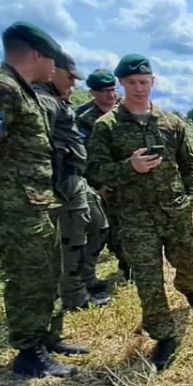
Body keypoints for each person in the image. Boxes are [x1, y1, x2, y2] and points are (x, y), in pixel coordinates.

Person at [0, 21, 85, 378]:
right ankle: (29, 354)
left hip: (34, 202)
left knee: (47, 271)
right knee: (28, 278)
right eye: (53, 60)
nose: (55, 69)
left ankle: (47, 338)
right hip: (12, 205)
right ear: (37, 55)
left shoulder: (23, 91)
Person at [86, 53, 193, 372]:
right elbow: (94, 171)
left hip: (175, 210)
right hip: (135, 215)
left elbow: (188, 164)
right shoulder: (107, 127)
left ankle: (188, 288)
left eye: (143, 81)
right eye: (131, 82)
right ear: (121, 84)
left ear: (153, 81)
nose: (138, 88)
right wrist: (130, 167)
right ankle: (164, 335)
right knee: (148, 279)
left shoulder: (171, 123)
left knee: (189, 260)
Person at [34, 52, 111, 319]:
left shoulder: (59, 103)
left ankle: (85, 278)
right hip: (59, 184)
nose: (72, 84)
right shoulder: (40, 103)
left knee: (99, 227)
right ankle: (74, 296)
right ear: (52, 72)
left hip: (76, 181)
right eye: (68, 77)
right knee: (71, 241)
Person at [76, 69, 130, 280]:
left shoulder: (127, 110)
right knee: (111, 228)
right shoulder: (84, 119)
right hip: (103, 183)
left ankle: (134, 265)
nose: (111, 95)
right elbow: (81, 156)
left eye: (113, 89)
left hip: (130, 176)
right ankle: (125, 265)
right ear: (93, 93)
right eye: (104, 91)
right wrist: (98, 185)